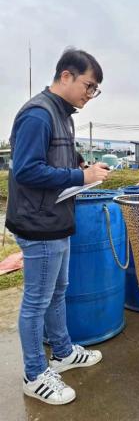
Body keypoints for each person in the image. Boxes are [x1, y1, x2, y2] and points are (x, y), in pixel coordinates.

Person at [6, 49, 110, 405]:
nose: (90, 94)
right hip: (39, 222)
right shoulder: (38, 114)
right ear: (66, 76)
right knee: (36, 301)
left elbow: (56, 159)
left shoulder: (64, 115)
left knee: (58, 290)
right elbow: (25, 170)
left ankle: (63, 353)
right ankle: (34, 374)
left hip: (57, 217)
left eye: (95, 89)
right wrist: (79, 175)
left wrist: (80, 166)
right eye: (88, 85)